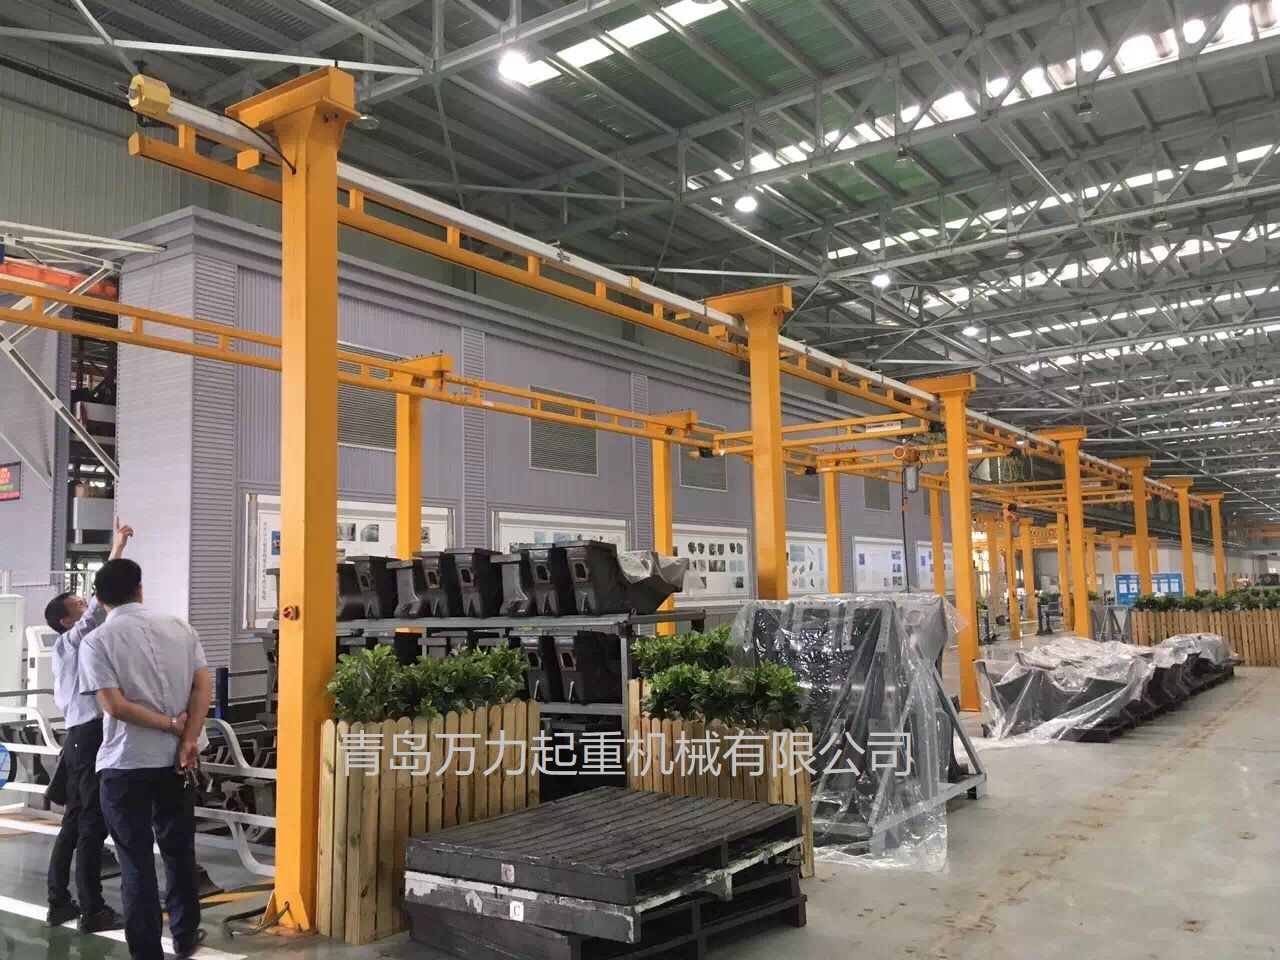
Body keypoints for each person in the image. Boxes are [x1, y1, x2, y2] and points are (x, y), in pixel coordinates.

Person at [80, 558, 212, 960]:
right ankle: (185, 935)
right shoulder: (180, 628)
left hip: (125, 764)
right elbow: (203, 686)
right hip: (176, 762)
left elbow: (114, 706)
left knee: (135, 862)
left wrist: (171, 725)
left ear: (100, 598)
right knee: (179, 851)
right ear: (140, 589)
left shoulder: (97, 640)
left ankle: (147, 952)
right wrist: (187, 737)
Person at [43, 518, 136, 931]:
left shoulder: (71, 648)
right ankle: (92, 909)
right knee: (90, 824)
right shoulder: (71, 641)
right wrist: (117, 550)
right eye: (79, 606)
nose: (88, 607)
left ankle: (59, 902)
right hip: (88, 735)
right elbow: (103, 598)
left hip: (78, 738)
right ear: (67, 622)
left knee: (74, 821)